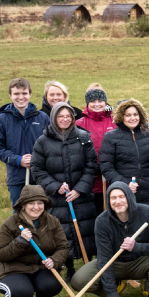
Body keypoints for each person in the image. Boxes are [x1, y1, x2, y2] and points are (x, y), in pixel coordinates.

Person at [71, 182, 149, 297]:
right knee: (78, 280)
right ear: (108, 201)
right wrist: (111, 293)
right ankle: (116, 287)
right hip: (115, 264)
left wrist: (137, 247)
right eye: (113, 198)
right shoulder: (102, 221)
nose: (118, 201)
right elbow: (104, 258)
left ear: (129, 197)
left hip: (141, 261)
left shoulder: (148, 213)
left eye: (122, 196)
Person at [31, 102, 99, 265]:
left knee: (85, 229)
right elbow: (37, 168)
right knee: (61, 232)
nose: (65, 119)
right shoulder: (43, 141)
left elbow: (91, 165)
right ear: (54, 118)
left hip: (81, 196)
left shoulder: (83, 138)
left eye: (68, 116)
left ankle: (87, 263)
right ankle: (67, 267)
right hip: (57, 198)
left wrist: (80, 189)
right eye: (60, 116)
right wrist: (55, 187)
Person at [0, 185, 69, 297]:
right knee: (21, 292)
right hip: (13, 268)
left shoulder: (52, 222)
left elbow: (63, 247)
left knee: (53, 285)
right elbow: (0, 255)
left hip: (41, 267)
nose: (36, 207)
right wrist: (20, 242)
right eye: (31, 203)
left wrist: (54, 260)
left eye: (40, 203)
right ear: (23, 205)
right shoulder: (10, 224)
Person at [99, 99, 149, 217]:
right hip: (125, 194)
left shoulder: (147, 134)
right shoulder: (111, 137)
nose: (132, 118)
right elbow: (106, 166)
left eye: (135, 114)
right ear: (121, 117)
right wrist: (124, 184)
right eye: (128, 115)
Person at [75, 86, 117, 213]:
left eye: (100, 100)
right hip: (90, 179)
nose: (97, 104)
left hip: (111, 178)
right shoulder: (79, 124)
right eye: (93, 101)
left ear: (105, 102)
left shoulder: (115, 121)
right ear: (88, 103)